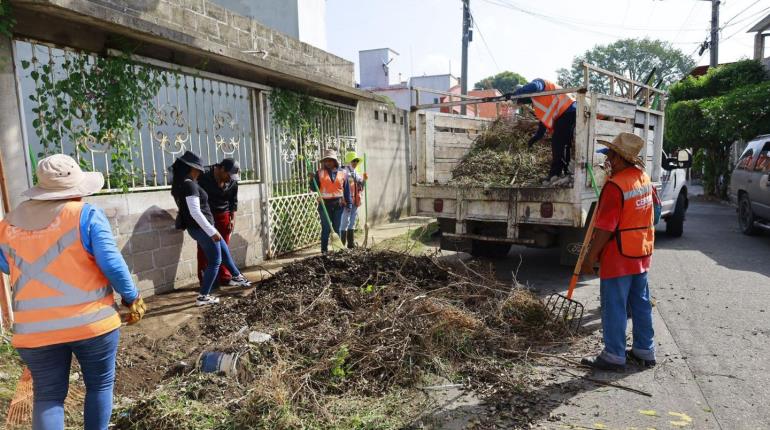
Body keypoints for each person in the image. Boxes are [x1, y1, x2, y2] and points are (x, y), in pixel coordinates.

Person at [0, 154, 146, 430]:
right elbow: (113, 265)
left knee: (48, 396)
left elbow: (5, 265)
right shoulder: (86, 215)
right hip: (91, 324)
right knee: (99, 384)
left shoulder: (8, 225)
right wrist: (131, 296)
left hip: (35, 332)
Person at [580, 132, 656, 372]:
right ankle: (645, 350)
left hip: (619, 256)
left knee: (614, 305)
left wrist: (589, 257)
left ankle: (614, 355)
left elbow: (604, 228)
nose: (608, 159)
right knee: (641, 303)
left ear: (621, 158)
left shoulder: (615, 186)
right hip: (641, 252)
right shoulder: (643, 178)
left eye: (611, 154)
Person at [170, 151, 251, 306]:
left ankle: (236, 275)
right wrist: (211, 231)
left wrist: (212, 229)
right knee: (215, 260)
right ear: (191, 168)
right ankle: (203, 296)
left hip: (205, 227)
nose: (201, 171)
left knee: (223, 251)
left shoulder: (188, 183)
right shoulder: (190, 185)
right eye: (198, 168)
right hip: (202, 228)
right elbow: (195, 212)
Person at [510, 78, 577, 184]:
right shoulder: (537, 101)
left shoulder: (538, 84)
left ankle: (555, 174)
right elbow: (545, 119)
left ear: (524, 93)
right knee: (563, 143)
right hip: (568, 111)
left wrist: (517, 93)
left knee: (558, 143)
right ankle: (563, 173)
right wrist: (537, 136)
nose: (522, 103)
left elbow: (535, 86)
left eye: (521, 100)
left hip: (568, 110)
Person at [196, 158, 249, 287]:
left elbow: (233, 202)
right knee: (204, 247)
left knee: (223, 248)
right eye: (228, 175)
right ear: (221, 169)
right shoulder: (203, 175)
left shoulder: (232, 181)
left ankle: (225, 277)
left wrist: (232, 218)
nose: (230, 179)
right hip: (206, 216)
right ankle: (205, 279)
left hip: (223, 215)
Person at [309, 149, 351, 253]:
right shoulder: (319, 173)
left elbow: (346, 189)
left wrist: (349, 203)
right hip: (324, 205)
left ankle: (338, 251)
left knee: (337, 228)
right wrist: (311, 179)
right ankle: (324, 251)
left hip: (338, 205)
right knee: (326, 229)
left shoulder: (343, 173)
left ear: (334, 161)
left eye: (330, 160)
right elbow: (314, 188)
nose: (327, 162)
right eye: (326, 161)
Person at [340, 151, 368, 249]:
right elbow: (340, 186)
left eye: (356, 161)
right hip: (347, 201)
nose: (355, 163)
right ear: (348, 161)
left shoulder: (355, 172)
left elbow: (361, 185)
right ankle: (342, 245)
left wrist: (364, 179)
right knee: (345, 222)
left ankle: (350, 244)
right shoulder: (343, 172)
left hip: (355, 201)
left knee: (352, 221)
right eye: (353, 161)